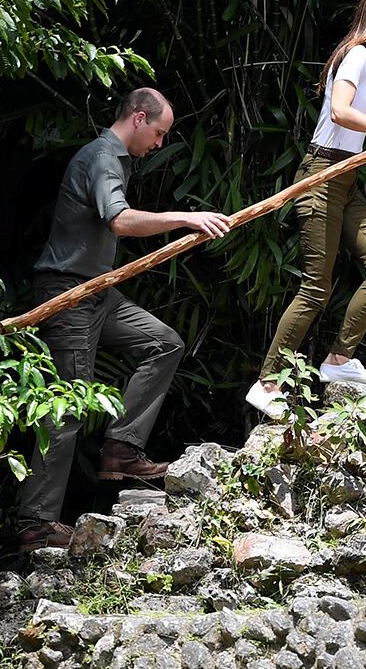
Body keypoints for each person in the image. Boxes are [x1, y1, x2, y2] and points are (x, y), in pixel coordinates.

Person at [14, 87, 231, 551]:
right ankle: (35, 521)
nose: (158, 143)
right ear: (137, 118)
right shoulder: (103, 157)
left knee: (164, 343)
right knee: (66, 407)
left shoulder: (117, 158)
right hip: (68, 293)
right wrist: (186, 219)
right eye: (158, 133)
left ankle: (121, 449)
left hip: (99, 293)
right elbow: (119, 219)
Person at [248, 0, 366, 419]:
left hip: (345, 177)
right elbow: (342, 113)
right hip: (321, 175)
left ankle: (339, 361)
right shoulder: (359, 55)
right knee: (315, 287)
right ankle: (266, 382)